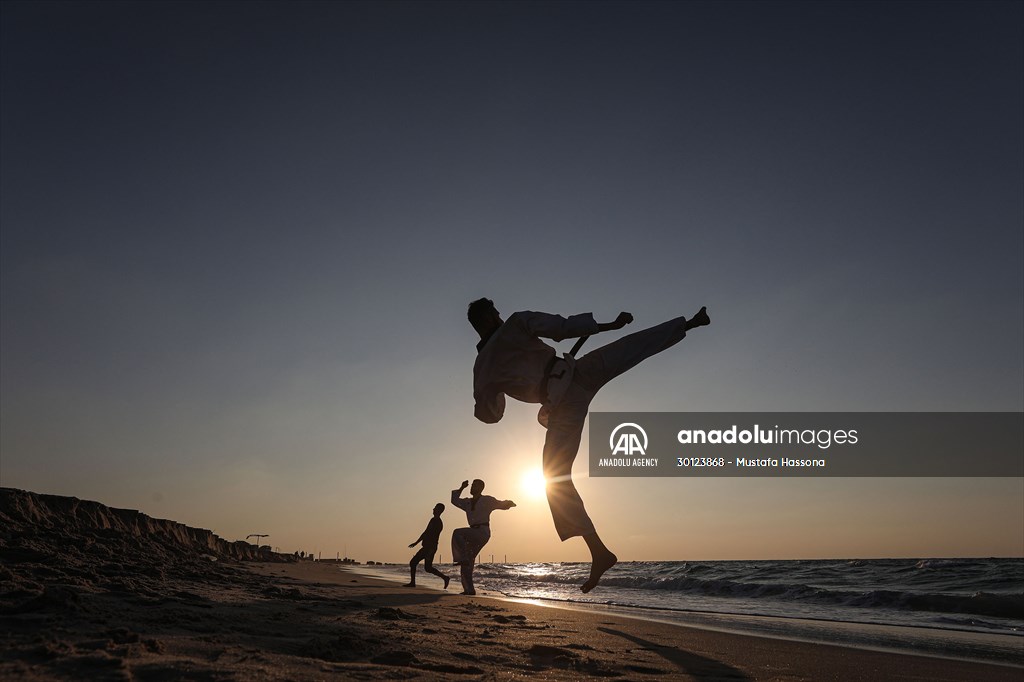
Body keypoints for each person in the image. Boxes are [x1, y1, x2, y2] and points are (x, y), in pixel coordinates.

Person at [468, 299, 710, 592]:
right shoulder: (511, 330)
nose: (499, 315)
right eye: (494, 312)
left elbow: (491, 415)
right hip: (572, 384)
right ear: (485, 319)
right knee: (629, 348)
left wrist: (489, 387)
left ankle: (598, 551)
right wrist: (610, 324)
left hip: (566, 398)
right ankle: (688, 324)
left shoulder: (484, 366)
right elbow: (563, 327)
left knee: (554, 480)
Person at [450, 479, 515, 595]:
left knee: (457, 533)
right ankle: (469, 590)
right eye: (472, 485)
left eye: (475, 485)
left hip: (482, 532)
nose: (472, 487)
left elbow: (500, 504)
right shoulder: (467, 502)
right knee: (467, 563)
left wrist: (508, 503)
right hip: (472, 533)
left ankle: (463, 557)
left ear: (480, 488)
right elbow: (454, 500)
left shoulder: (487, 500)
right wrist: (461, 488)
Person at [405, 503, 450, 589]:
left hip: (430, 548)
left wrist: (430, 551)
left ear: (439, 511)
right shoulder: (432, 520)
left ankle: (412, 583)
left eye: (435, 508)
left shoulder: (438, 523)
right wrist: (416, 542)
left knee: (413, 562)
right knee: (428, 568)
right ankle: (445, 578)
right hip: (427, 547)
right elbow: (425, 532)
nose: (433, 509)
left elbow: (433, 536)